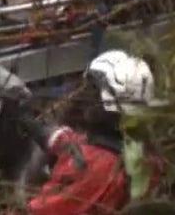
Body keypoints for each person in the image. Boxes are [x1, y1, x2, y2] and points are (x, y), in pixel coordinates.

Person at [20, 49, 163, 214]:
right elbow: (73, 143)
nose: (83, 96)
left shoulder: (96, 167)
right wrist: (35, 127)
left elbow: (38, 211)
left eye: (93, 90)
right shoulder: (142, 154)